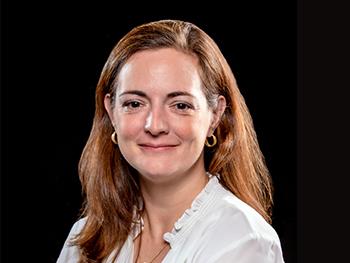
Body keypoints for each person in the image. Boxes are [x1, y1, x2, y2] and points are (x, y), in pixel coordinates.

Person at [57, 19, 285, 263]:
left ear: (215, 115)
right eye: (134, 104)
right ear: (111, 112)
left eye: (180, 105)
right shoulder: (84, 237)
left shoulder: (243, 240)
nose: (155, 126)